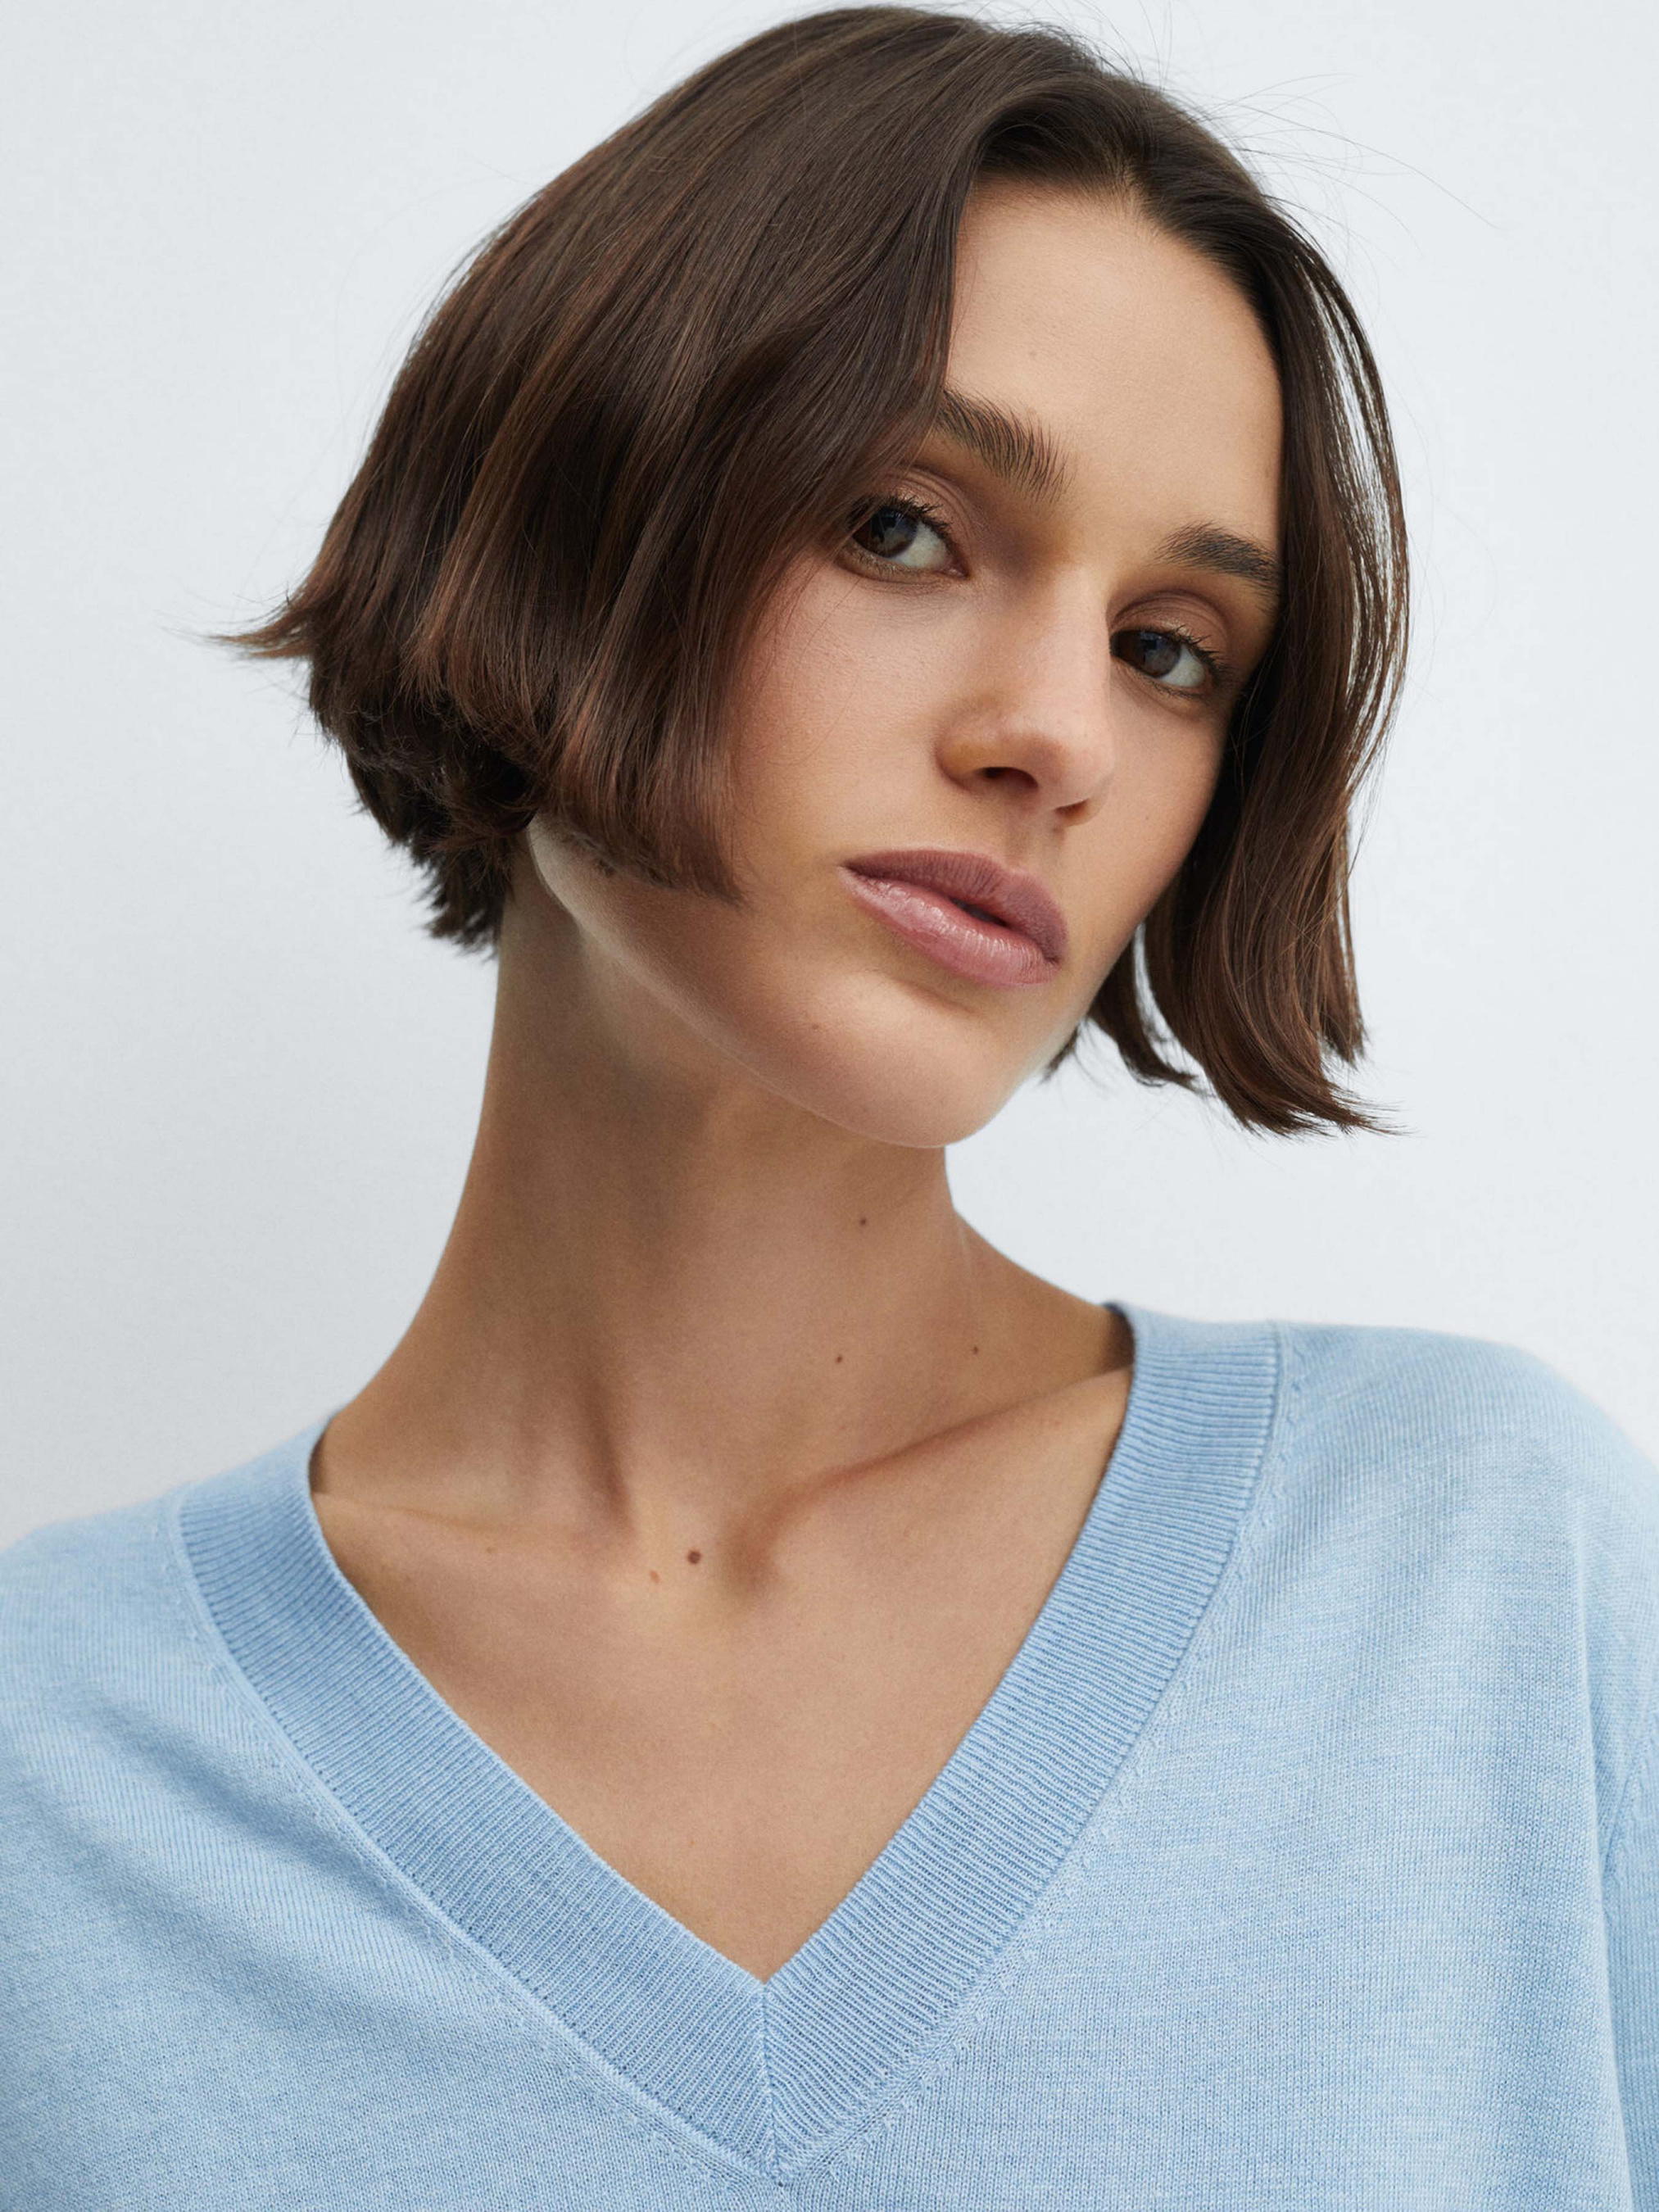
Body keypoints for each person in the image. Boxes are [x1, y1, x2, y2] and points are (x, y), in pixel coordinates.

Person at [3, 8, 1655, 2206]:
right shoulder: (50, 1770)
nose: (1058, 733)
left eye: (1171, 647)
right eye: (902, 528)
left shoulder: (1476, 1578)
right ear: (567, 507)